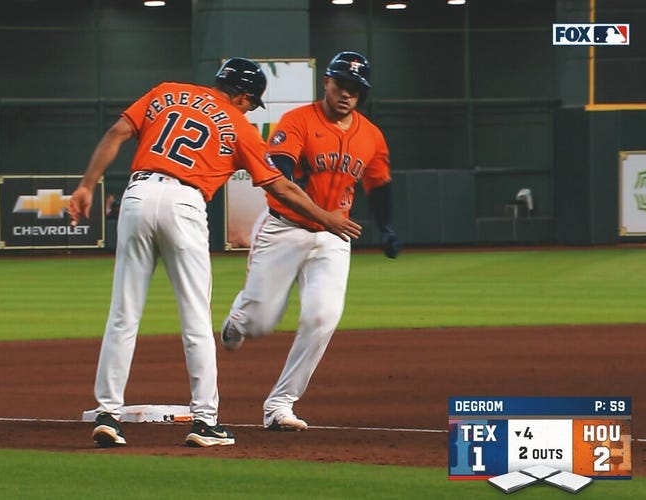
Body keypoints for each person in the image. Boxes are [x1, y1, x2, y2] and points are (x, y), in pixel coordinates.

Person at [68, 57, 362, 448]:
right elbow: (282, 189)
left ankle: (107, 413)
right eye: (250, 102)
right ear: (242, 96)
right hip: (184, 203)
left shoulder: (166, 91)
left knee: (124, 313)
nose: (247, 107)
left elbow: (117, 132)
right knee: (195, 319)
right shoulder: (239, 126)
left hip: (136, 196)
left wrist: (87, 185)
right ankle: (205, 422)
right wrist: (327, 217)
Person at [220, 51, 401, 431]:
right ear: (327, 83)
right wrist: (321, 212)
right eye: (341, 85)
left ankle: (280, 404)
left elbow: (379, 183)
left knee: (322, 317)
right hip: (284, 228)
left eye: (355, 89)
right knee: (259, 324)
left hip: (334, 238)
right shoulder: (297, 120)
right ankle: (238, 318)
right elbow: (282, 172)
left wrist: (387, 226)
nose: (347, 94)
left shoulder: (371, 135)